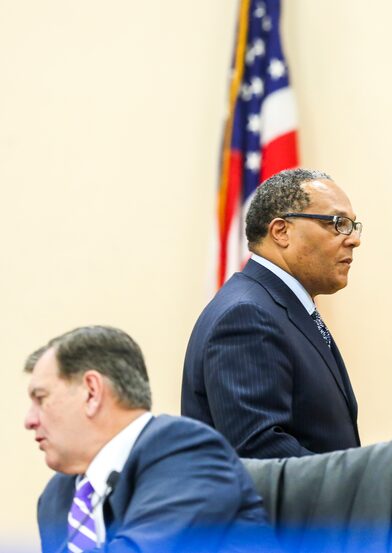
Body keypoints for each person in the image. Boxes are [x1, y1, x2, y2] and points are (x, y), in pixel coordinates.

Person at [25, 326, 273, 553]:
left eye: (41, 398)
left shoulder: (186, 452)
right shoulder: (57, 497)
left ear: (92, 392)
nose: (29, 421)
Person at [181, 168, 361, 458]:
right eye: (338, 223)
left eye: (353, 226)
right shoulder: (247, 316)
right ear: (281, 231)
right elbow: (260, 451)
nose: (353, 239)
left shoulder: (279, 307)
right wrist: (362, 481)